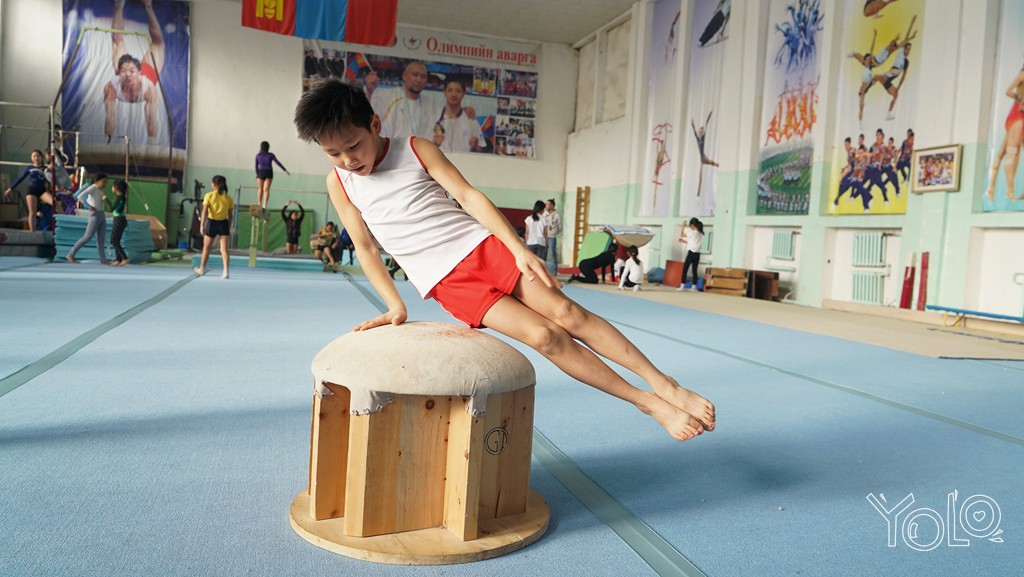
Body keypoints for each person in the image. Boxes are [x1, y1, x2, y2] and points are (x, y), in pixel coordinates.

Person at [294, 78, 715, 442]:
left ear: (374, 124)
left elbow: (469, 196)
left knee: (567, 312)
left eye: (353, 146)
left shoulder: (416, 150)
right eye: (333, 153)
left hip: (483, 248)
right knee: (545, 337)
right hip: (448, 283)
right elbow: (366, 247)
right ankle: (645, 401)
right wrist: (394, 304)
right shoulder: (340, 183)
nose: (348, 160)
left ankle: (664, 384)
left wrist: (518, 248)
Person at [103, 0, 165, 141]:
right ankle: (119, 4)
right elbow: (110, 118)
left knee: (158, 43)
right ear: (119, 73)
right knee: (117, 40)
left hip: (147, 77)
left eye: (132, 71)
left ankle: (148, 6)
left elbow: (151, 121)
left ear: (139, 72)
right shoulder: (111, 87)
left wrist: (151, 144)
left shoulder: (149, 89)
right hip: (128, 74)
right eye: (124, 71)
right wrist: (108, 142)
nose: (128, 75)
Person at [372, 61, 443, 140]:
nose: (419, 80)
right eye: (415, 75)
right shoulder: (386, 97)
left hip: (419, 147)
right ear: (404, 76)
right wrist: (369, 91)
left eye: (423, 76)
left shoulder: (432, 107)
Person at [986, 62, 1024, 201]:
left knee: (1003, 153)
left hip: (1020, 116)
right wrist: (1020, 99)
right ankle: (1010, 189)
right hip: (1018, 115)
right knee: (1012, 152)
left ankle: (991, 188)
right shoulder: (1022, 75)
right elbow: (1008, 91)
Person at [66, 173, 111, 265]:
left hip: (101, 214)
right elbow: (80, 196)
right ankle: (70, 254)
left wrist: (102, 199)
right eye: (103, 182)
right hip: (95, 215)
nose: (105, 184)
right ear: (96, 181)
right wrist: (89, 206)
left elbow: (97, 201)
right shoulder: (93, 188)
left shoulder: (99, 190)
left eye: (106, 182)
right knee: (87, 237)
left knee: (101, 239)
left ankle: (103, 260)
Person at [194, 175, 234, 279]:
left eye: (212, 183)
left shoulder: (209, 195)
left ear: (215, 185)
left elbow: (204, 212)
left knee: (206, 248)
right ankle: (226, 271)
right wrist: (229, 226)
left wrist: (202, 225)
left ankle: (202, 268)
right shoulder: (228, 198)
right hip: (223, 223)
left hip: (212, 223)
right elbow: (230, 215)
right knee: (224, 249)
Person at [3, 149, 51, 232]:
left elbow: (52, 179)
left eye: (38, 156)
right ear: (31, 158)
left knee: (53, 202)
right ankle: (32, 232)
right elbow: (20, 178)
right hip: (32, 191)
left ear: (41, 157)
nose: (36, 158)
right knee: (32, 212)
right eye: (34, 156)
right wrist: (10, 188)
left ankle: (59, 221)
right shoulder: (29, 168)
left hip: (42, 191)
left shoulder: (45, 168)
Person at [435, 79, 483, 153]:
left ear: (464, 93)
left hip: (463, 160)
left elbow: (481, 149)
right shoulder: (434, 117)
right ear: (444, 92)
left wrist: (476, 147)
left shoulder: (471, 119)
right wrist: (434, 143)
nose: (454, 94)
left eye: (458, 91)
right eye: (450, 90)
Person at [691, 111, 719, 197]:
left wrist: (710, 114)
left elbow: (706, 124)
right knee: (700, 175)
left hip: (704, 157)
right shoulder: (698, 138)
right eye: (699, 132)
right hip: (702, 158)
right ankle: (698, 193)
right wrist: (692, 124)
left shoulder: (703, 137)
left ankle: (698, 194)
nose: (700, 133)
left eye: (701, 132)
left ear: (703, 133)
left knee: (710, 164)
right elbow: (694, 131)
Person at [255, 141, 290, 210]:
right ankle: (264, 205)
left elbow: (256, 166)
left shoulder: (258, 156)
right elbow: (278, 162)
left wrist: (257, 174)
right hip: (268, 173)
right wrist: (285, 170)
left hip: (261, 172)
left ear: (261, 147)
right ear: (268, 147)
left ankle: (260, 203)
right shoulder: (270, 155)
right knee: (266, 189)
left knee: (260, 189)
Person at [677, 218, 704, 291]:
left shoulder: (692, 233)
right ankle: (694, 287)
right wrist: (685, 242)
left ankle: (682, 285)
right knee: (694, 270)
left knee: (685, 269)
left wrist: (683, 226)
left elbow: (681, 234)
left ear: (692, 225)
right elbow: (693, 242)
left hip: (691, 253)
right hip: (697, 254)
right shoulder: (700, 233)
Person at [109, 179, 131, 266]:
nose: (112, 188)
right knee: (116, 240)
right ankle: (118, 260)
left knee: (113, 240)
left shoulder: (118, 197)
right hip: (121, 219)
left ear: (116, 187)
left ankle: (124, 258)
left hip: (118, 219)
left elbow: (111, 208)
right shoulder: (122, 197)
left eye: (113, 186)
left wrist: (105, 199)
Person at [543, 199, 562, 276]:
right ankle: (543, 271)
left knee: (552, 253)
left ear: (552, 205)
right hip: (544, 237)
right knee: (543, 253)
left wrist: (554, 232)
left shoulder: (557, 215)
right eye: (546, 204)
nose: (546, 206)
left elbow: (560, 226)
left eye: (548, 204)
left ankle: (554, 272)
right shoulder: (544, 214)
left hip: (552, 237)